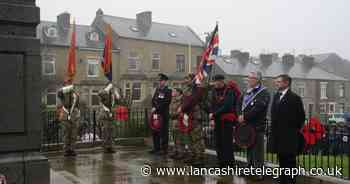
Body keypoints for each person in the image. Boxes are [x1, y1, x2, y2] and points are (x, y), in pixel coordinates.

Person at [271, 74, 305, 184]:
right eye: (277, 82)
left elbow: (301, 117)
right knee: (281, 160)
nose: (277, 84)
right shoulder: (276, 96)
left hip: (290, 136)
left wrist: (292, 130)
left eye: (279, 82)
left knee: (290, 162)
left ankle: (290, 181)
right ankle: (283, 180)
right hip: (278, 135)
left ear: (286, 83)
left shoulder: (295, 98)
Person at [237, 71, 270, 180]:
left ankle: (259, 173)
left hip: (257, 126)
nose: (249, 80)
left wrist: (245, 117)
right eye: (248, 77)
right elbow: (239, 103)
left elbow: (258, 108)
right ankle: (249, 170)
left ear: (257, 80)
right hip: (246, 126)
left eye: (251, 78)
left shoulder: (263, 92)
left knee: (257, 151)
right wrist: (239, 115)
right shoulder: (247, 91)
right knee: (249, 149)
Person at [209, 74, 240, 168]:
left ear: (222, 81)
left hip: (227, 121)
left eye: (217, 81)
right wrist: (212, 118)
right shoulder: (214, 91)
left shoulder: (229, 91)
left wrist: (214, 114)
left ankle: (230, 165)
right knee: (218, 143)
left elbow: (228, 106)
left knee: (227, 143)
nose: (215, 83)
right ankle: (221, 164)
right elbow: (213, 105)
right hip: (217, 120)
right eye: (214, 81)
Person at [178, 73, 205, 165]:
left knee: (196, 137)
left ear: (193, 80)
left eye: (188, 79)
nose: (185, 80)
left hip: (195, 116)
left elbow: (193, 100)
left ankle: (200, 157)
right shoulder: (187, 89)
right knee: (189, 137)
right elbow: (184, 101)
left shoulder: (197, 89)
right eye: (185, 79)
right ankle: (192, 155)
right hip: (187, 116)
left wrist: (182, 108)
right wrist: (182, 108)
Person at [150, 73, 172, 155]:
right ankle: (156, 148)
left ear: (165, 81)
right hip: (156, 114)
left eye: (161, 81)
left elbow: (165, 102)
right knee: (155, 131)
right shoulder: (158, 89)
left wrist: (156, 108)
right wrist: (153, 107)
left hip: (163, 114)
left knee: (163, 132)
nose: (160, 82)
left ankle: (164, 149)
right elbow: (153, 100)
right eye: (159, 81)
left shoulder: (168, 90)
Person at [57, 79, 80, 157]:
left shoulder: (75, 94)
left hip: (74, 115)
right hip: (65, 115)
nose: (70, 84)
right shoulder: (63, 93)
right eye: (68, 83)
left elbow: (77, 104)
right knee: (66, 134)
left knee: (73, 134)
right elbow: (59, 93)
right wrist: (67, 88)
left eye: (71, 83)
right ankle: (66, 150)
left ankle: (72, 149)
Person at [97, 83, 121, 153]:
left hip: (112, 115)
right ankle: (105, 148)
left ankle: (111, 147)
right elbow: (100, 94)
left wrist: (116, 92)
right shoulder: (104, 94)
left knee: (112, 133)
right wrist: (107, 88)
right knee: (105, 133)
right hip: (105, 115)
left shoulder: (113, 95)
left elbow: (119, 100)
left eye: (112, 87)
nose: (112, 88)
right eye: (110, 87)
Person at [168, 88, 186, 159]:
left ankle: (181, 152)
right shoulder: (173, 100)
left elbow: (181, 110)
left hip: (178, 120)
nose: (172, 92)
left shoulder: (181, 100)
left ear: (178, 92)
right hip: (173, 120)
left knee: (180, 137)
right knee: (174, 137)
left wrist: (174, 115)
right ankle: (176, 151)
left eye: (174, 91)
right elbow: (171, 109)